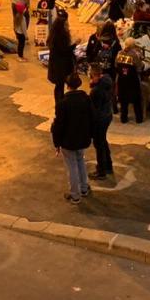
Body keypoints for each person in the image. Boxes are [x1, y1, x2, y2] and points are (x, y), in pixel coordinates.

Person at [50, 74, 93, 204]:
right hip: (82, 138)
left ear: (67, 85)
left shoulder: (63, 103)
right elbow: (92, 117)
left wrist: (56, 143)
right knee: (81, 161)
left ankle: (75, 195)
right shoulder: (86, 98)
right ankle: (84, 188)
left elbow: (58, 125)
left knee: (72, 167)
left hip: (68, 140)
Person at [88, 63, 115, 179]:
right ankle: (108, 165)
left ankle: (101, 171)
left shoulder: (96, 91)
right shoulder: (107, 80)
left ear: (94, 75)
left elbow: (94, 110)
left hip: (100, 119)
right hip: (107, 114)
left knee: (99, 144)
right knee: (103, 141)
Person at [45, 12, 75, 106]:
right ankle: (60, 105)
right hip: (60, 67)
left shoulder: (54, 37)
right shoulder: (60, 38)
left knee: (59, 87)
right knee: (60, 87)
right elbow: (65, 51)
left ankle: (60, 104)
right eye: (66, 25)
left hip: (57, 67)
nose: (68, 26)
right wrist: (75, 45)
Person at [115, 38, 144, 124]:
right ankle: (139, 119)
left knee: (124, 101)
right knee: (137, 101)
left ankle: (123, 118)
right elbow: (139, 68)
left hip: (122, 80)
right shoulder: (134, 55)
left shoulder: (119, 53)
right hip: (132, 81)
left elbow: (116, 65)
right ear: (133, 46)